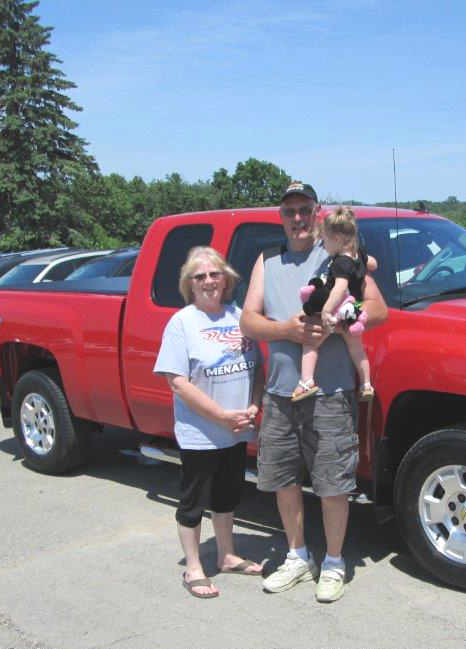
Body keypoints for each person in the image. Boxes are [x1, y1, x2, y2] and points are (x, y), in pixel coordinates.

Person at [240, 181, 388, 603]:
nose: (298, 219)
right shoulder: (267, 260)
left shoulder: (339, 254)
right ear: (281, 216)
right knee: (283, 478)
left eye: (305, 210)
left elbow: (377, 311)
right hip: (281, 392)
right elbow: (249, 321)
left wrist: (337, 322)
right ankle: (297, 555)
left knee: (332, 482)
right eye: (290, 212)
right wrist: (285, 328)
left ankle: (335, 562)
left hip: (330, 392)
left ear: (318, 212)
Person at [154, 246, 265, 599]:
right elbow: (177, 381)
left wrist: (253, 404)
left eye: (214, 274)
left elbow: (257, 367)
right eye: (199, 276)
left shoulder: (238, 316)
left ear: (226, 278)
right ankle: (194, 567)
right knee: (193, 501)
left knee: (227, 496)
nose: (208, 281)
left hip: (235, 431)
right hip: (201, 433)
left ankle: (227, 554)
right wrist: (219, 415)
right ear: (189, 283)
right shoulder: (182, 323)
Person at [293, 205, 377, 402]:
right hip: (353, 311)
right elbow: (373, 263)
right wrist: (364, 267)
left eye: (324, 242)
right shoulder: (359, 254)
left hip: (337, 309)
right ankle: (366, 385)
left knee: (311, 342)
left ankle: (306, 382)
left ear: (336, 239)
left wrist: (326, 312)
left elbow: (339, 288)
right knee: (357, 350)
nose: (323, 247)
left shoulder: (340, 263)